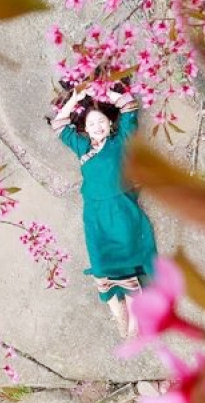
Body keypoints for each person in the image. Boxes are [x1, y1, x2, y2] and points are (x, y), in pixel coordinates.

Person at [50, 79, 159, 339]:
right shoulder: (83, 148)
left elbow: (129, 107)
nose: (97, 126)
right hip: (94, 212)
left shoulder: (120, 140)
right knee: (100, 259)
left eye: (101, 122)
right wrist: (77, 97)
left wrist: (101, 91)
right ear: (86, 130)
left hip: (120, 207)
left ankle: (135, 318)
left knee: (123, 258)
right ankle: (119, 316)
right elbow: (58, 125)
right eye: (91, 124)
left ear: (110, 124)